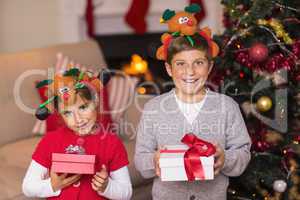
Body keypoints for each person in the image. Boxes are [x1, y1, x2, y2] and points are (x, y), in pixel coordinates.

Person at [134, 4, 251, 200]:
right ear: (169, 69)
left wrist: (225, 159)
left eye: (198, 63)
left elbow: (242, 151)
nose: (190, 72)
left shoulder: (227, 107)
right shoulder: (153, 109)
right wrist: (154, 160)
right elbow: (141, 159)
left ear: (210, 66)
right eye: (181, 64)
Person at [22, 55, 132, 200]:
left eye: (83, 107)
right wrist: (52, 186)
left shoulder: (111, 143)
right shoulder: (50, 141)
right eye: (68, 113)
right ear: (60, 115)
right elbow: (28, 187)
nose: (78, 119)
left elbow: (126, 193)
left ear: (96, 102)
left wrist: (107, 186)